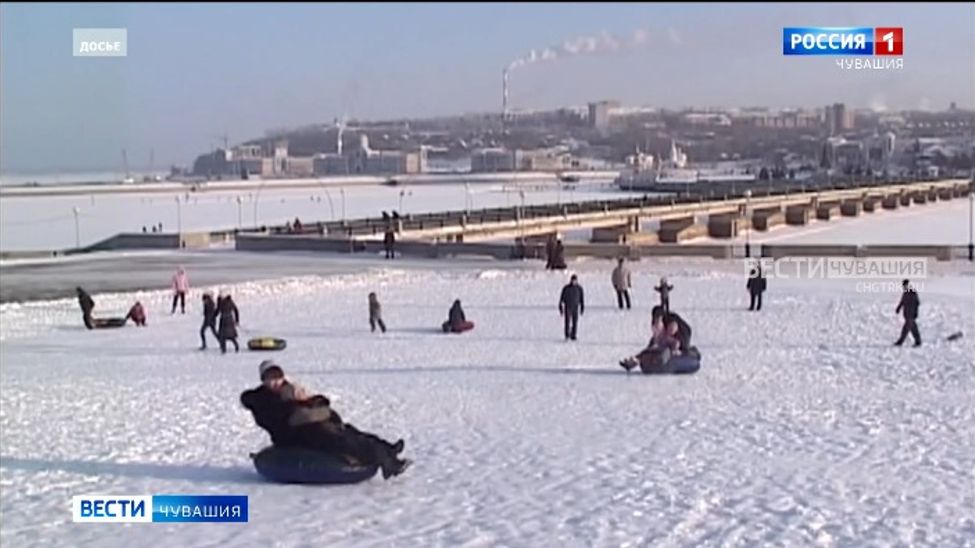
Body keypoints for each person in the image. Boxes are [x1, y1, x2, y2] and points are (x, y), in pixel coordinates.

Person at [240, 360, 411, 480]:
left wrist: (310, 402)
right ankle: (388, 464)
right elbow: (289, 418)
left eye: (277, 377)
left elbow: (310, 403)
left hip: (309, 427)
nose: (275, 382)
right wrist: (304, 407)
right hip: (294, 436)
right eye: (270, 378)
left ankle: (388, 449)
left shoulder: (290, 390)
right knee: (343, 440)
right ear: (264, 380)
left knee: (349, 431)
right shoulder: (263, 401)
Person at [894, 279, 921, 347]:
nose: (904, 287)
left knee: (906, 328)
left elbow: (917, 303)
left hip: (911, 314)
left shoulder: (912, 293)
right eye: (904, 286)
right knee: (913, 328)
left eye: (905, 285)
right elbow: (902, 301)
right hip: (907, 314)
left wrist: (916, 312)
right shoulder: (905, 293)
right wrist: (898, 308)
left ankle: (900, 341)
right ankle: (918, 341)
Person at [559, 275, 585, 341]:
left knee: (575, 322)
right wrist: (560, 308)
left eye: (575, 280)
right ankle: (567, 335)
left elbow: (581, 299)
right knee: (567, 321)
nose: (574, 282)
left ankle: (573, 335)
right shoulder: (566, 288)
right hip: (568, 306)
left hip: (575, 307)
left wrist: (582, 307)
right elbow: (561, 299)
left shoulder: (579, 289)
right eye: (573, 280)